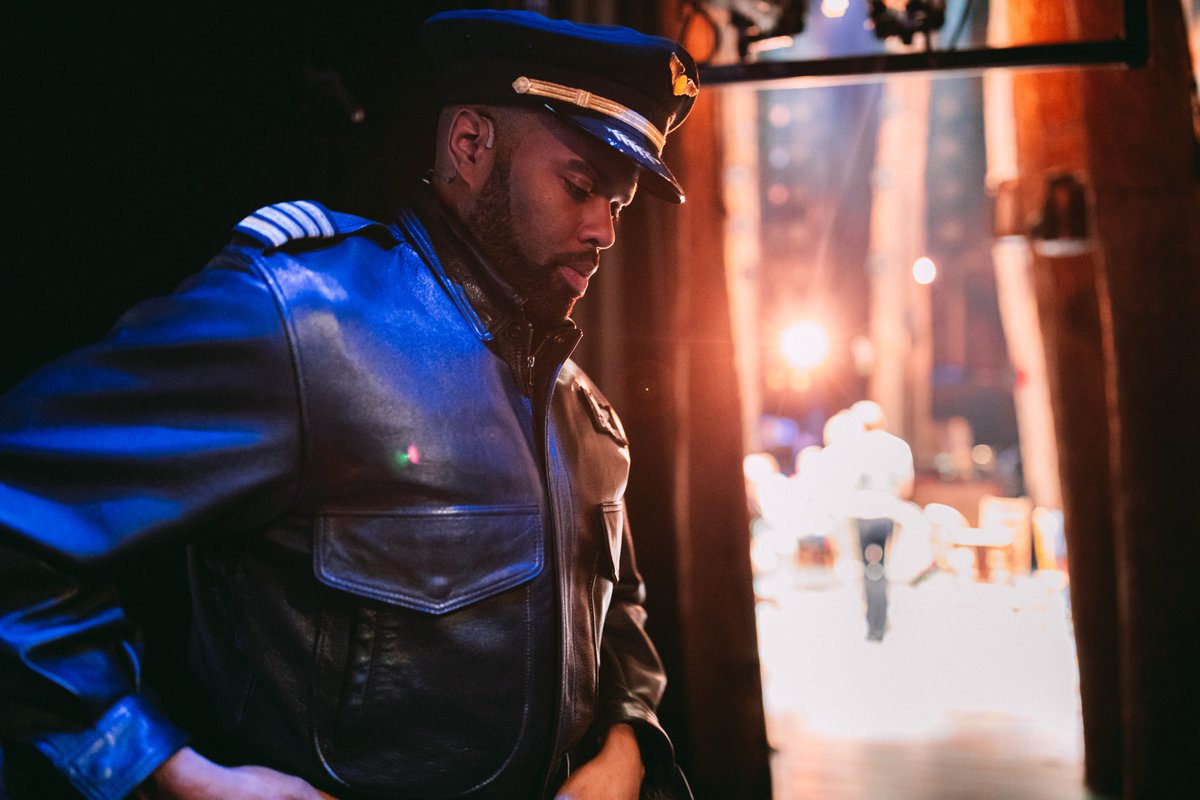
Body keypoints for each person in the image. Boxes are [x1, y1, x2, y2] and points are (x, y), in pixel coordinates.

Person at [0, 10, 698, 800]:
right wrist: (172, 774)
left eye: (621, 204)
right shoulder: (304, 321)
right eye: (580, 187)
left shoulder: (584, 410)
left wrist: (627, 740)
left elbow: (619, 607)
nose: (605, 230)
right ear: (470, 145)